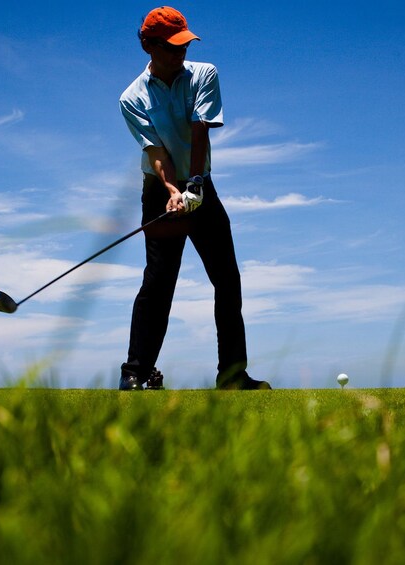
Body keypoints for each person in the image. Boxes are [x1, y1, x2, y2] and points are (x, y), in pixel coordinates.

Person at [118, 6, 270, 391]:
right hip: (159, 190)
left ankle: (232, 376)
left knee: (227, 279)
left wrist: (196, 184)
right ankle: (135, 373)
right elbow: (156, 152)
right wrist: (173, 190)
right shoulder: (131, 97)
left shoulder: (204, 73)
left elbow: (199, 128)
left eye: (183, 43)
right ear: (148, 47)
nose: (179, 52)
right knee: (158, 282)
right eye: (171, 46)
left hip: (201, 183)